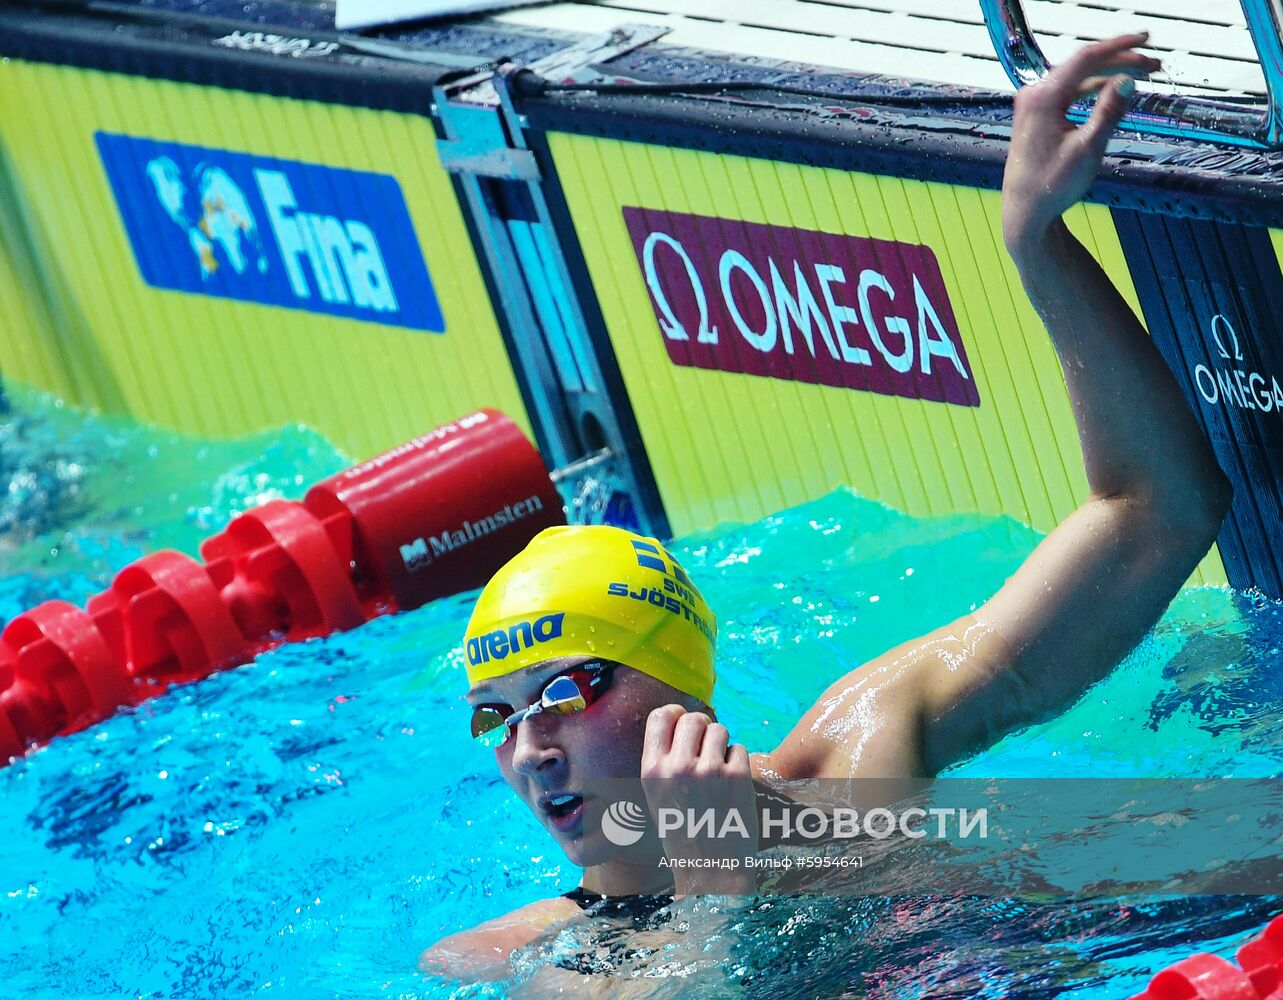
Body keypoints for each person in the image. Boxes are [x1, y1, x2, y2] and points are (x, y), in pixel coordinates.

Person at [420, 32, 1232, 986]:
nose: (531, 751)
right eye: (496, 719)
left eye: (565, 692)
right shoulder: (501, 960)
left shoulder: (861, 747)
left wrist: (1036, 242)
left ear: (675, 682)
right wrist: (714, 885)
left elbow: (1156, 513)